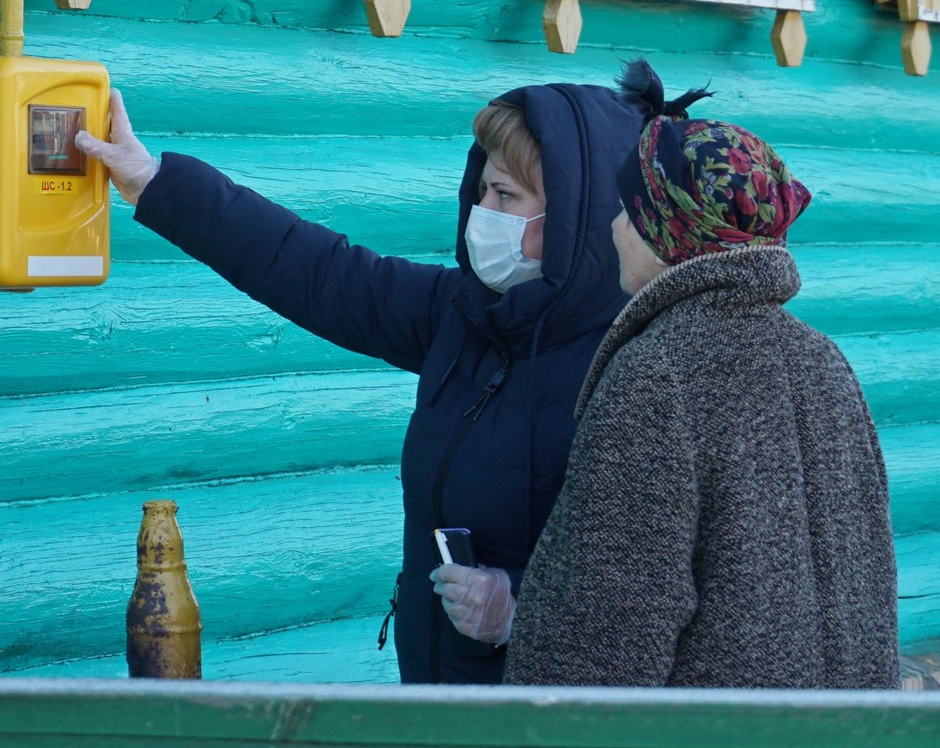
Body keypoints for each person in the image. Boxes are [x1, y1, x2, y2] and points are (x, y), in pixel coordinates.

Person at [76, 81, 643, 683]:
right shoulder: (467, 313)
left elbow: (651, 578)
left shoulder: (629, 366)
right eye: (481, 191)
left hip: (548, 719)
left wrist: (522, 605)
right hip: (439, 695)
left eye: (505, 195)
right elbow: (318, 271)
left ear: (578, 214)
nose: (484, 215)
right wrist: (154, 183)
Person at [502, 60, 900, 689]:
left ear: (670, 233)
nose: (612, 228)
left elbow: (605, 631)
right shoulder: (825, 360)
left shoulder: (658, 375)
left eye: (631, 211)